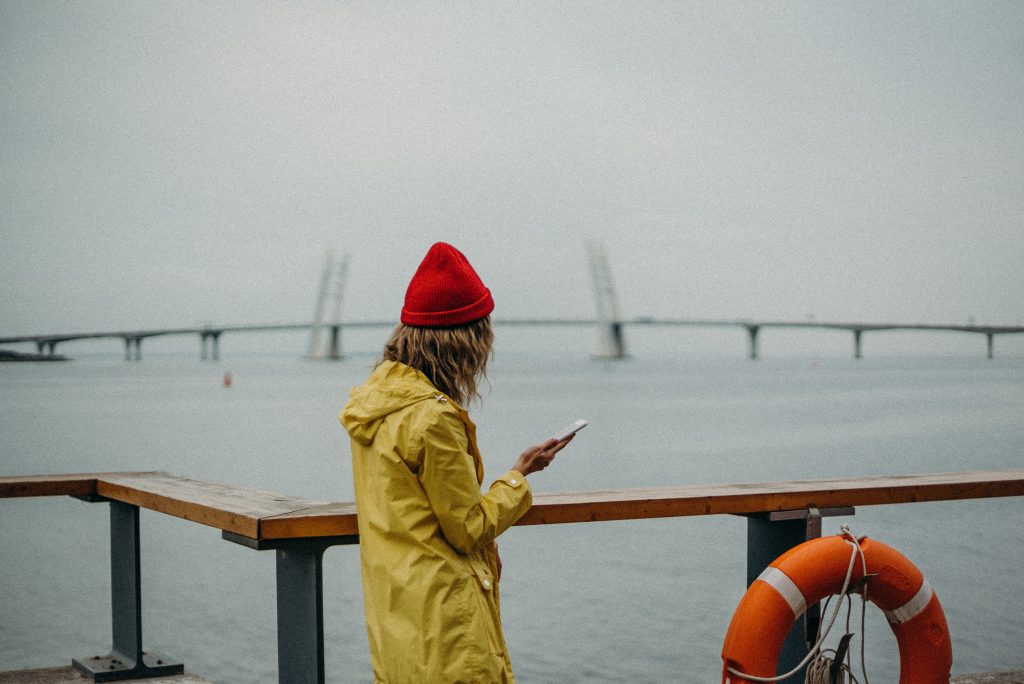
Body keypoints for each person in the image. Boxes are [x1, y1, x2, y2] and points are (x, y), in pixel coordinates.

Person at [339, 242, 574, 683]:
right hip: (447, 623)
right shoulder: (434, 418)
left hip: (399, 614)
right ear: (464, 344)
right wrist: (518, 479)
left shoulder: (375, 406)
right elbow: (467, 527)